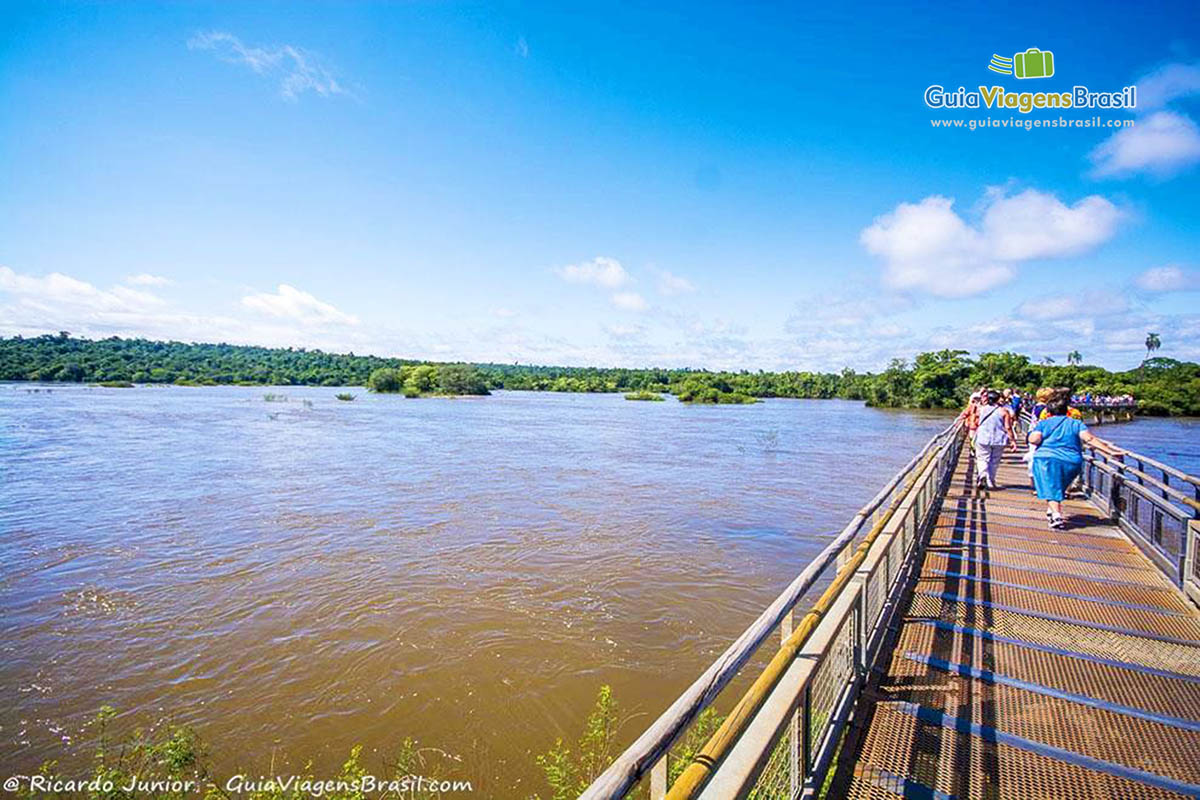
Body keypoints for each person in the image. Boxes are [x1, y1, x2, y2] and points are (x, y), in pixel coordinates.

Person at [1029, 393, 1124, 529]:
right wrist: (1110, 452)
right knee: (1058, 485)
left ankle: (1056, 515)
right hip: (1071, 460)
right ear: (1066, 410)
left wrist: (1031, 435)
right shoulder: (1076, 423)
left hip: (1046, 459)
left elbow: (1034, 440)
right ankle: (1051, 510)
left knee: (1050, 485)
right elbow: (1089, 439)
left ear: (1048, 411)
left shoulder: (1043, 423)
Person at [973, 389, 1016, 489]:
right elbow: (1008, 427)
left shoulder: (981, 409)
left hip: (983, 438)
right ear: (998, 399)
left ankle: (982, 475)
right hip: (999, 439)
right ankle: (990, 481)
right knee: (994, 461)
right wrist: (1012, 440)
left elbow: (976, 421)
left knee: (982, 458)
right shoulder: (1004, 411)